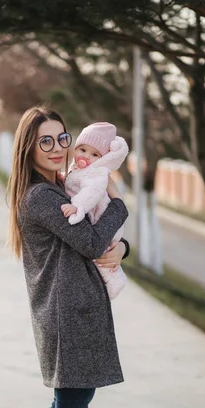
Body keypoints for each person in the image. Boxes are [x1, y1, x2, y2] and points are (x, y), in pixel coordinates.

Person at [0, 106, 129, 408]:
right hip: (67, 314)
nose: (57, 148)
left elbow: (96, 238)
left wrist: (122, 246)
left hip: (73, 311)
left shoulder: (59, 189)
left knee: (64, 407)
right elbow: (90, 241)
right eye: (45, 141)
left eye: (62, 138)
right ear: (28, 148)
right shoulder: (41, 197)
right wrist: (121, 207)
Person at [61, 121, 129, 299]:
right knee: (103, 257)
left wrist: (77, 206)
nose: (86, 156)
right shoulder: (76, 169)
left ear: (104, 158)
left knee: (104, 260)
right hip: (100, 220)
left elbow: (92, 192)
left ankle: (115, 283)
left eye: (94, 154)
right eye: (82, 150)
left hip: (100, 215)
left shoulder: (97, 174)